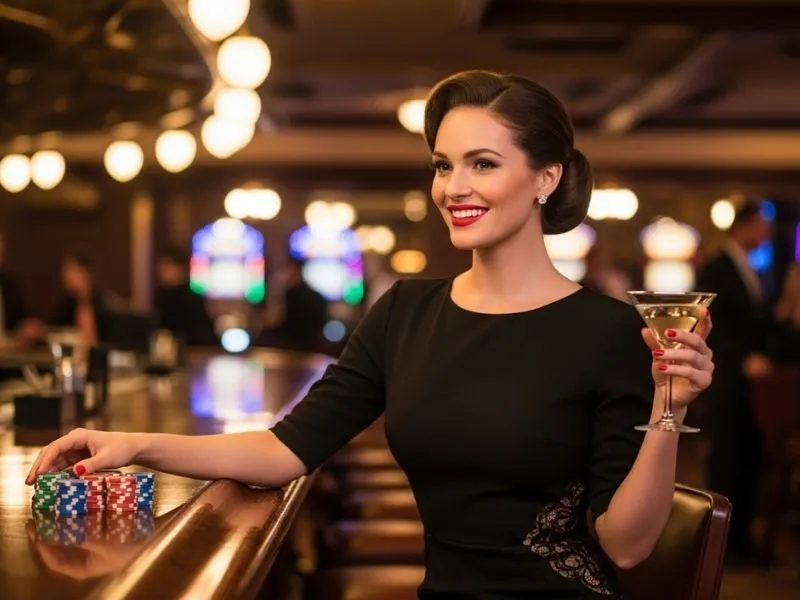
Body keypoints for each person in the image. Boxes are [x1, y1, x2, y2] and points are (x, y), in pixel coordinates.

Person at [26, 71, 715, 600]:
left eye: (482, 163)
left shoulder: (607, 330)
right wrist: (134, 444)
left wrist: (669, 409)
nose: (453, 187)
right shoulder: (405, 312)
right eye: (443, 164)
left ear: (546, 177)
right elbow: (285, 448)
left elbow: (626, 546)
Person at [695, 199, 773, 564]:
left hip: (750, 388)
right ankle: (720, 547)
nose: (765, 233)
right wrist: (744, 358)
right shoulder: (718, 267)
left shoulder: (751, 268)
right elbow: (712, 328)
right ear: (742, 226)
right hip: (727, 383)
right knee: (726, 462)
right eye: (760, 225)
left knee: (747, 460)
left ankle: (742, 541)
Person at [154, 248, 217, 346]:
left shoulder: (190, 297)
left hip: (194, 349)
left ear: (180, 268)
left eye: (167, 267)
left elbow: (201, 332)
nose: (163, 272)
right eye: (161, 268)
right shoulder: (162, 295)